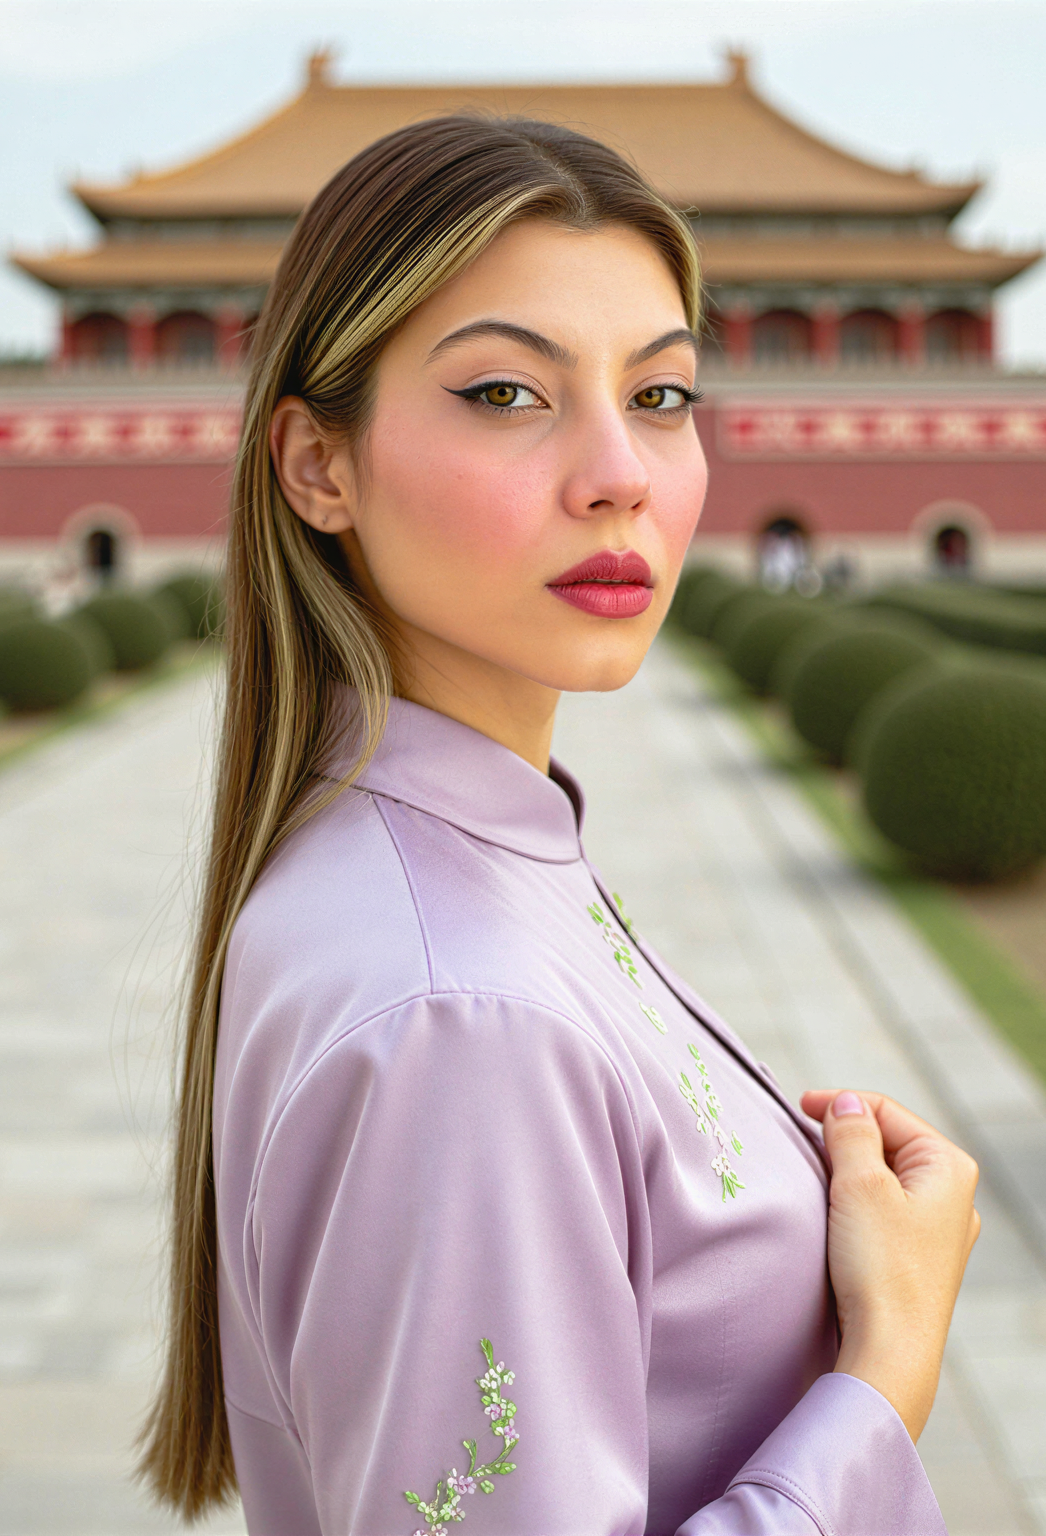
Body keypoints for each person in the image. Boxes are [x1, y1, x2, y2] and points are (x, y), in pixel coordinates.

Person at [140, 115, 982, 1535]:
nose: (622, 475)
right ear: (316, 467)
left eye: (661, 398)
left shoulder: (442, 861)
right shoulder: (457, 1012)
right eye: (506, 394)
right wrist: (887, 1366)